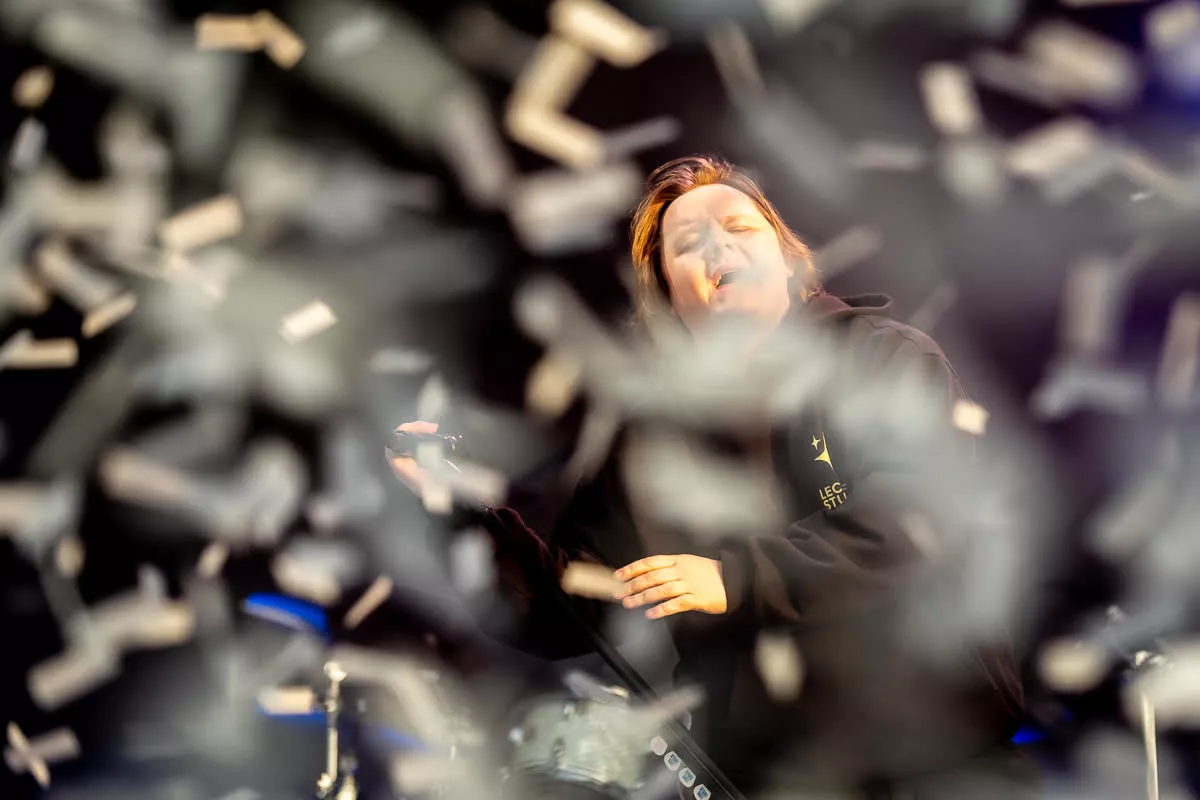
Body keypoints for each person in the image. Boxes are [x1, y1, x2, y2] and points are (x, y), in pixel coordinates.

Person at [388, 156, 1038, 799]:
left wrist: (738, 578)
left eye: (740, 227)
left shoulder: (880, 356)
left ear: (788, 260)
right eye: (688, 244)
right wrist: (458, 510)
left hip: (930, 758)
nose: (718, 247)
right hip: (758, 776)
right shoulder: (650, 440)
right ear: (668, 296)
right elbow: (571, 612)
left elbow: (917, 521)